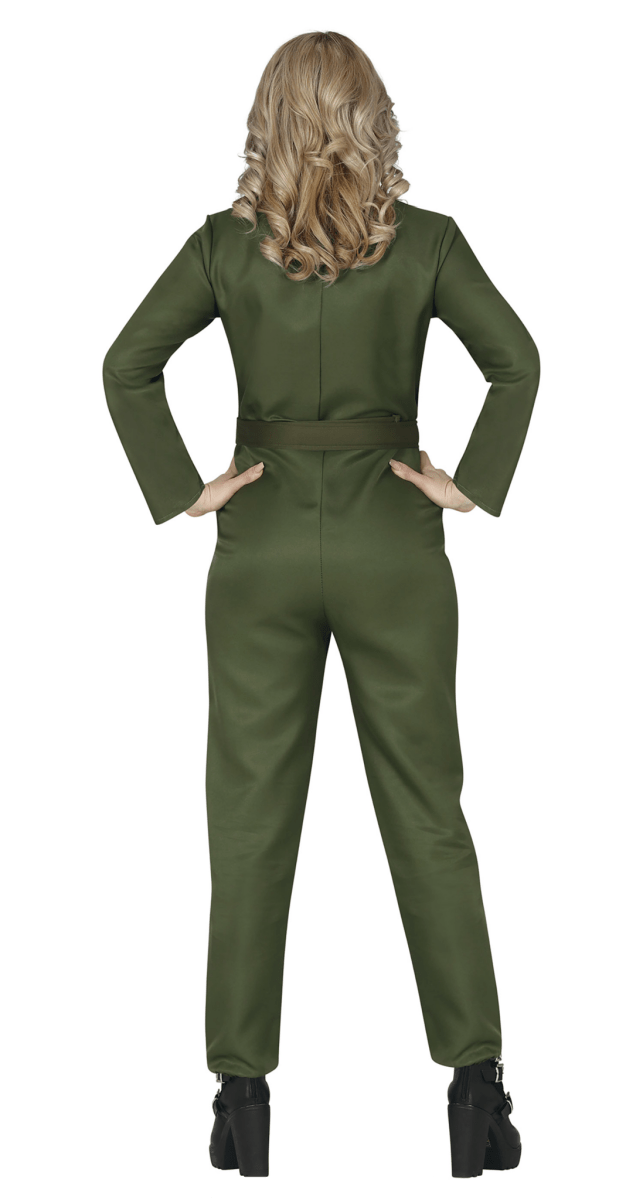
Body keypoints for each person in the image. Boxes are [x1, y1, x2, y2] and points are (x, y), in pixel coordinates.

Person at [102, 30, 539, 1180]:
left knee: (248, 821)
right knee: (427, 810)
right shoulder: (426, 243)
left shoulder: (224, 247)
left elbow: (125, 364)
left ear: (271, 119)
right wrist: (467, 484)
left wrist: (186, 487)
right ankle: (476, 1092)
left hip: (258, 548)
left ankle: (239, 1103)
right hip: (392, 541)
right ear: (370, 116)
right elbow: (518, 361)